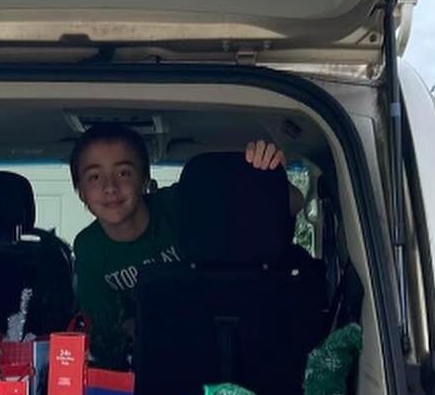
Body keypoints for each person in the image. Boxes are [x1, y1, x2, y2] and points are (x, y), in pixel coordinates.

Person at [69, 123, 288, 331]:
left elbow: (288, 205)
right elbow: (104, 332)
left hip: (223, 328)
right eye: (94, 177)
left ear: (145, 179)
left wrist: (267, 176)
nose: (110, 187)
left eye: (123, 173)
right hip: (147, 352)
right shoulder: (89, 247)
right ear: (80, 192)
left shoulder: (182, 201)